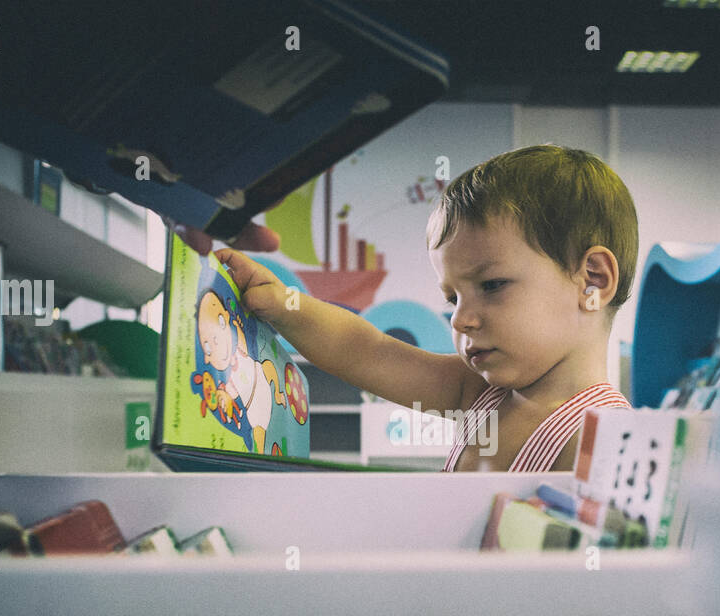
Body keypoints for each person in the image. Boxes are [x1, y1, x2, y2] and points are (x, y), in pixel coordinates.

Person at [216, 145, 638, 472]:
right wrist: (283, 304)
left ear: (593, 280)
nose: (460, 318)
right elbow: (364, 350)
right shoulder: (479, 394)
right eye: (453, 297)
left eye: (492, 285)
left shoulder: (601, 438)